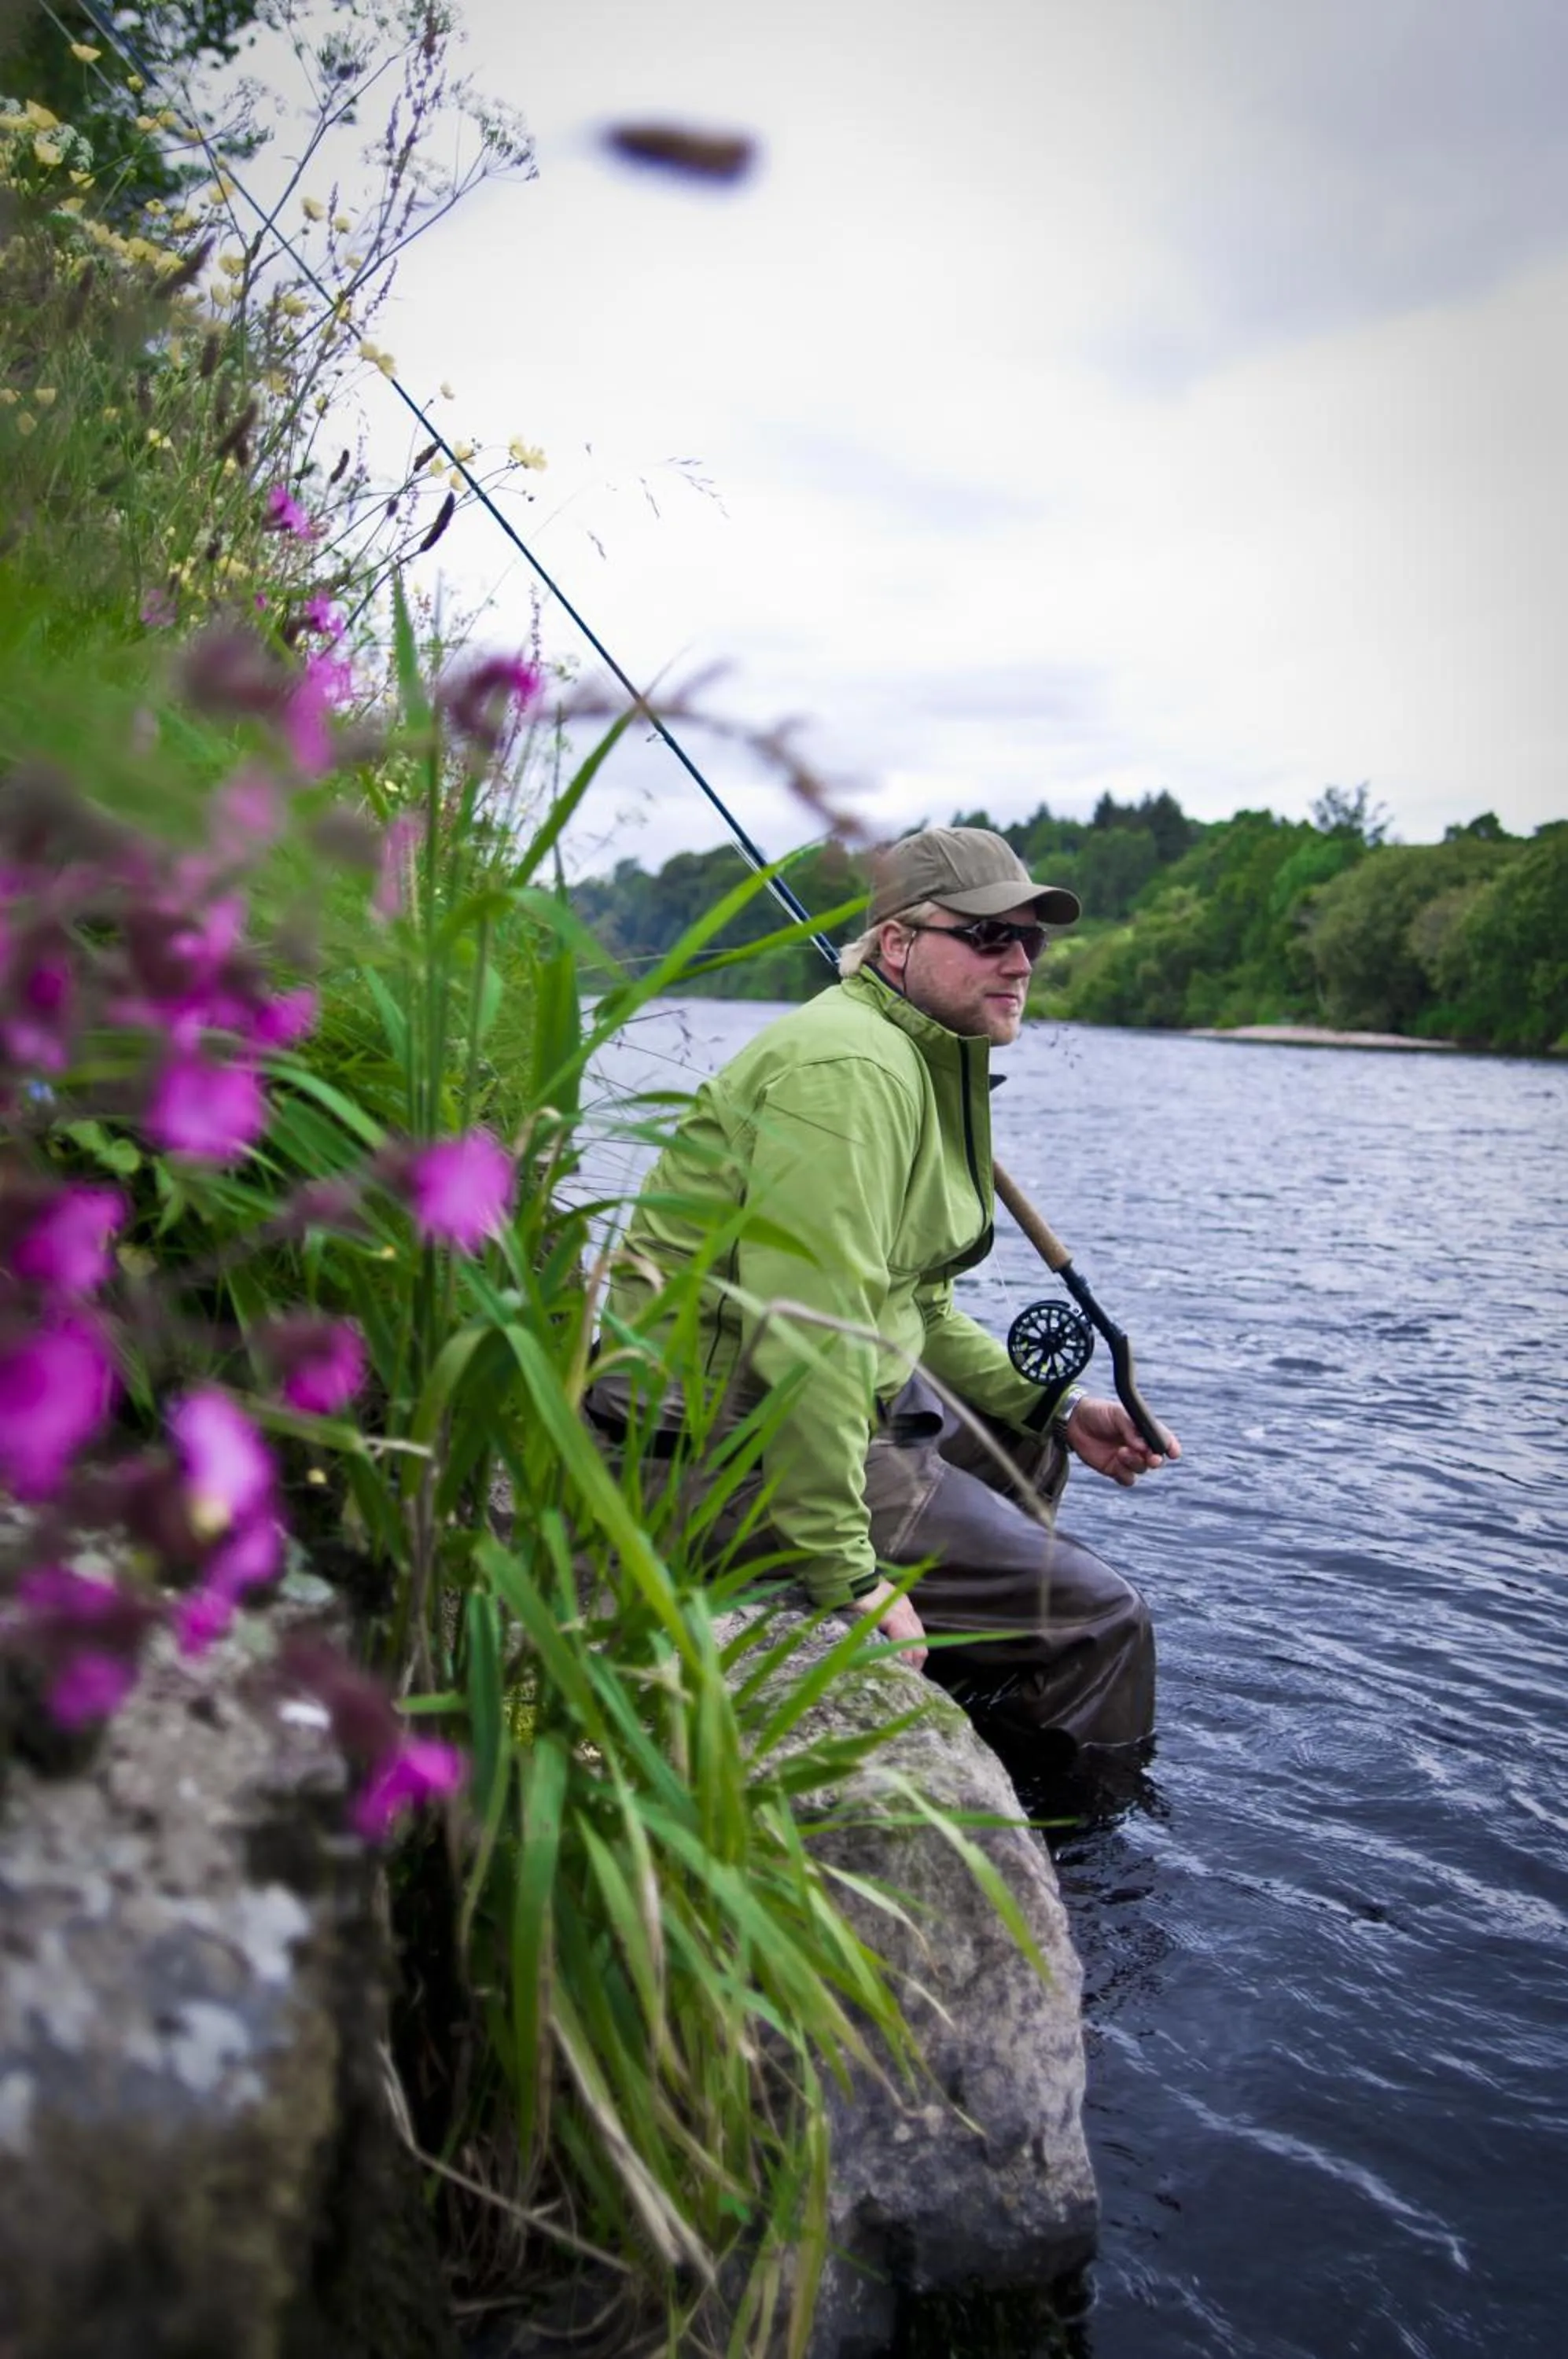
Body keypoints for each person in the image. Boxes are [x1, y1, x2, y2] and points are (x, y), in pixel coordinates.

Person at [588, 825, 1179, 1765]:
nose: (1020, 961)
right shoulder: (849, 1071)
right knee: (1104, 1625)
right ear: (897, 946)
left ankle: (969, 1676)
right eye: (988, 937)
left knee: (1024, 1439)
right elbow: (808, 1336)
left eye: (1032, 940)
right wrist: (844, 1576)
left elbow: (919, 1308)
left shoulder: (912, 1050)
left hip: (765, 1404)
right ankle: (1060, 1857)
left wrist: (1054, 1405)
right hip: (706, 1451)